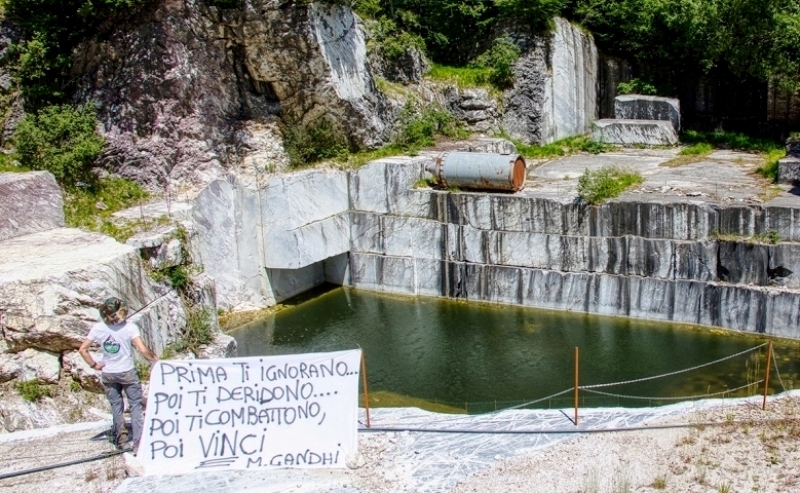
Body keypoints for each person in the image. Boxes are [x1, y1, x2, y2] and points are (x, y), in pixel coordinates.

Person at [79, 297, 158, 452]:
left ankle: (122, 442)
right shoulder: (130, 328)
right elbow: (142, 350)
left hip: (108, 373)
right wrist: (156, 360)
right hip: (127, 371)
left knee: (116, 407)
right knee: (135, 406)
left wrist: (94, 365)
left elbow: (83, 349)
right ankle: (138, 444)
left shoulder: (98, 328)